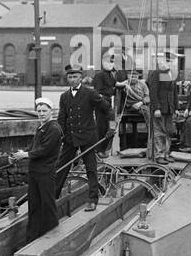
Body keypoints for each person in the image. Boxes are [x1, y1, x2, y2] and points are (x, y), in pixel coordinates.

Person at [55, 64, 113, 210]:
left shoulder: (90, 93)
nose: (73, 79)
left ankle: (93, 199)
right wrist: (60, 137)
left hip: (87, 137)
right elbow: (61, 119)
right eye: (70, 77)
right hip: (70, 138)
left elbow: (107, 109)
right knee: (61, 167)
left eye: (75, 76)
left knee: (91, 169)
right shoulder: (64, 97)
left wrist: (111, 127)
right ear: (67, 78)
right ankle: (52, 196)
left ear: (81, 78)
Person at [10, 97, 62, 244]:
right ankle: (32, 238)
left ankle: (52, 236)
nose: (41, 113)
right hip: (35, 173)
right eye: (39, 111)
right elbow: (34, 147)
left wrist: (25, 155)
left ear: (51, 111)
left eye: (44, 111)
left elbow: (44, 150)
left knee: (48, 205)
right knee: (34, 205)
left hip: (46, 173)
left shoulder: (54, 128)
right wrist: (19, 155)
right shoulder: (41, 128)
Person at [145, 51, 178, 162]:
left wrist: (176, 108)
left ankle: (166, 154)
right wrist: (157, 108)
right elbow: (153, 92)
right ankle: (159, 155)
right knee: (159, 132)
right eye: (167, 60)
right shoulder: (156, 73)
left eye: (171, 61)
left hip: (169, 109)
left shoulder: (171, 74)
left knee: (169, 131)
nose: (169, 63)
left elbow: (174, 93)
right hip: (160, 109)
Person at [120, 66, 151, 150]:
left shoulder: (142, 84)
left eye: (135, 75)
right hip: (130, 107)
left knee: (147, 111)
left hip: (141, 105)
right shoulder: (124, 84)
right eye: (131, 75)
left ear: (138, 76)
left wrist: (140, 103)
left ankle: (150, 137)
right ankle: (151, 137)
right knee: (146, 111)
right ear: (127, 76)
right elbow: (115, 86)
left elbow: (148, 97)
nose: (133, 77)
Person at [91, 60, 117, 155]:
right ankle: (99, 150)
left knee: (111, 126)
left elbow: (115, 84)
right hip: (102, 103)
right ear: (103, 63)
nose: (110, 64)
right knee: (101, 127)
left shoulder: (111, 75)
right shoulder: (99, 75)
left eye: (112, 62)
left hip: (110, 103)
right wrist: (103, 102)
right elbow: (97, 92)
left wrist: (125, 85)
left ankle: (106, 148)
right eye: (108, 62)